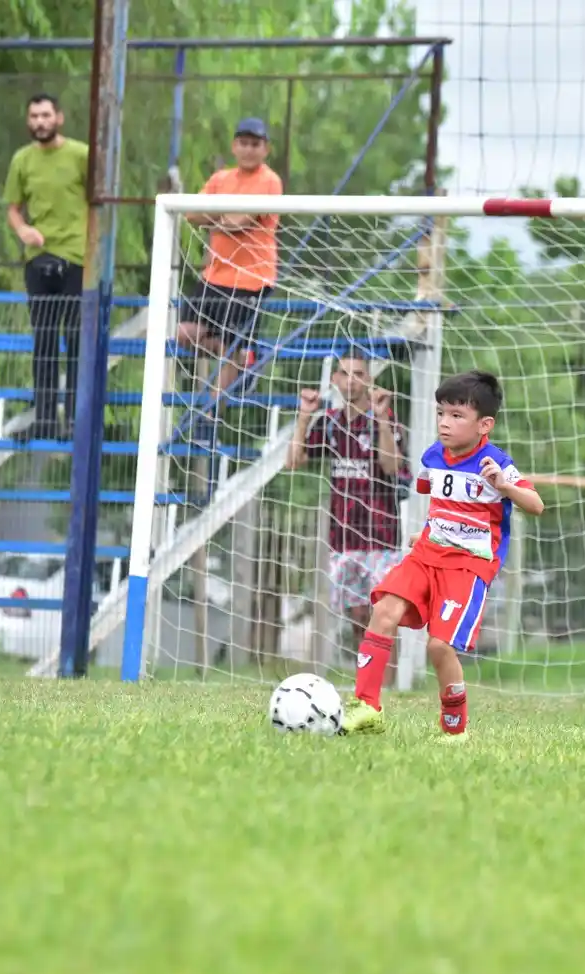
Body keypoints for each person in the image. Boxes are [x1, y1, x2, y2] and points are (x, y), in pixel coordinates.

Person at [340, 371, 545, 741]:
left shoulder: (495, 463)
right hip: (426, 555)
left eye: (456, 415)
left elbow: (536, 504)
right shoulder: (433, 457)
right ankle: (366, 707)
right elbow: (442, 502)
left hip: (467, 566)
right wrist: (429, 533)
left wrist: (505, 486)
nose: (444, 423)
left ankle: (455, 728)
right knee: (383, 611)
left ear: (484, 425)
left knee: (439, 646)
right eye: (441, 413)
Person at [285, 353, 408, 653]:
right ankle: (365, 677)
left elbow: (392, 466)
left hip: (381, 535)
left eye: (358, 374)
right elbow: (294, 461)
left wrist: (382, 419)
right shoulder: (330, 422)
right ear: (335, 380)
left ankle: (385, 680)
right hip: (343, 536)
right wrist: (304, 416)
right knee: (358, 619)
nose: (351, 380)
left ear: (369, 380)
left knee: (384, 618)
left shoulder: (385, 419)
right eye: (345, 373)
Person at [178, 116, 283, 439]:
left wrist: (215, 218)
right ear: (234, 146)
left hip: (252, 278)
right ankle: (245, 358)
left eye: (255, 144)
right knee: (184, 334)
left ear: (265, 149)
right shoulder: (220, 178)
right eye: (244, 143)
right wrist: (220, 219)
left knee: (231, 345)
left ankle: (209, 417)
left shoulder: (269, 180)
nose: (249, 149)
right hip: (216, 274)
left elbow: (239, 220)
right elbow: (191, 213)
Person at [3, 93, 90, 441]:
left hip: (77, 258)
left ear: (59, 118)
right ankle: (45, 418)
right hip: (38, 259)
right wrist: (23, 230)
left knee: (77, 338)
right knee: (44, 340)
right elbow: (12, 208)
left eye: (46, 115)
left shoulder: (81, 155)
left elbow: (99, 201)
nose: (40, 122)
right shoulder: (22, 159)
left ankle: (75, 420)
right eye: (34, 116)